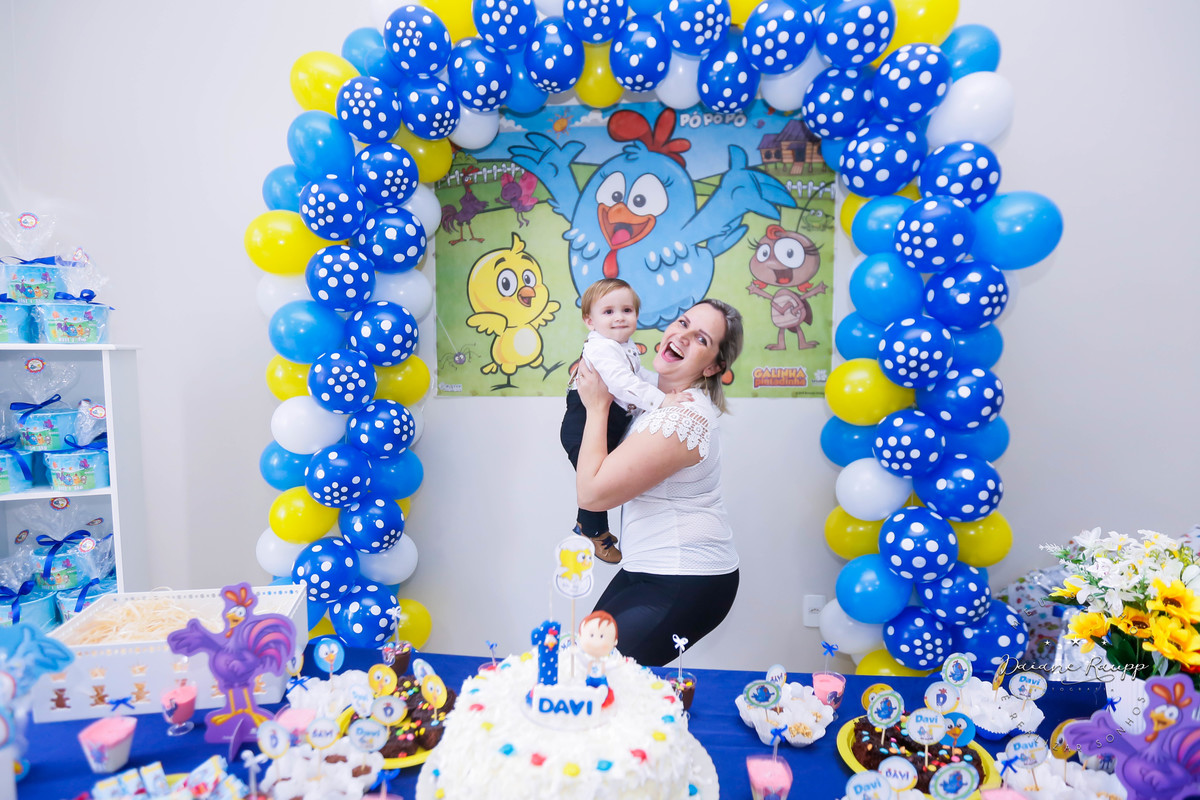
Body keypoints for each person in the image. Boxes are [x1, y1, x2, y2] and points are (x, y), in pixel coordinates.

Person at [573, 298, 744, 667]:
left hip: (685, 578)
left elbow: (591, 494)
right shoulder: (658, 400)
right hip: (647, 568)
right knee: (584, 661)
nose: (682, 336)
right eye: (683, 323)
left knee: (597, 670)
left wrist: (597, 407)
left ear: (713, 366)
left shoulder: (682, 417)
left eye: (701, 339)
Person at [560, 278, 667, 564]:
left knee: (603, 478)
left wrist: (663, 385)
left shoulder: (623, 345)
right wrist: (662, 400)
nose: (619, 317)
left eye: (627, 310)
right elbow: (622, 383)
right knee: (599, 482)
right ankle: (594, 531)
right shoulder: (601, 348)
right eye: (608, 312)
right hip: (583, 426)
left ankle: (587, 527)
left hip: (607, 423)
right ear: (590, 321)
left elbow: (638, 376)